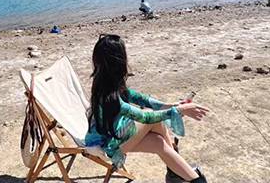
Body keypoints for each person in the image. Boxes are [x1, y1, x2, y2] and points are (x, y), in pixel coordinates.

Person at [85, 34, 209, 182]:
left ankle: (175, 174)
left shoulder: (106, 83)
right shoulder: (108, 97)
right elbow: (145, 117)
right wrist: (178, 111)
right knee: (151, 116)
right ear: (119, 62)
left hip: (116, 134)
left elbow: (142, 99)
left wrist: (174, 105)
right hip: (109, 146)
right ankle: (192, 179)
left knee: (158, 142)